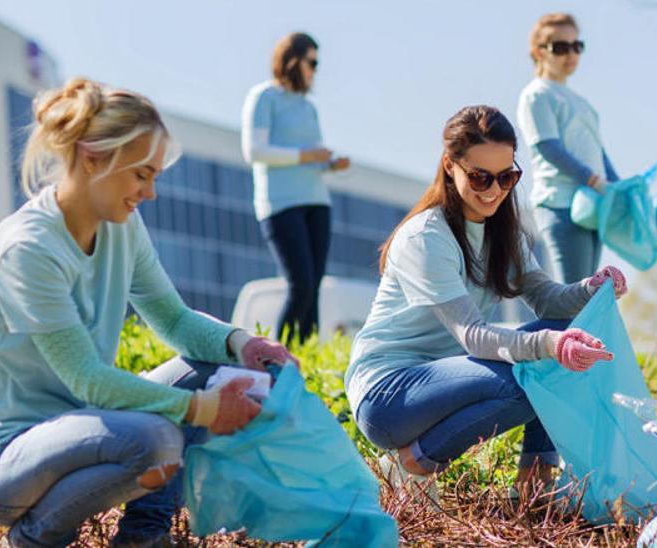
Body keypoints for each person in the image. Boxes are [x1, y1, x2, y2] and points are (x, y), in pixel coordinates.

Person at [0, 78, 296, 547]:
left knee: (228, 373)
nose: (149, 192)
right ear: (92, 158)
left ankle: (141, 539)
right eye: (141, 175)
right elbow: (87, 378)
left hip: (93, 424)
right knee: (156, 440)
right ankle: (31, 540)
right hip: (11, 459)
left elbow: (171, 319)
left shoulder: (123, 227)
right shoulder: (28, 249)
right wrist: (204, 409)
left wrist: (243, 345)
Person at [345, 106, 626, 500]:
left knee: (562, 338)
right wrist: (547, 347)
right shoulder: (426, 237)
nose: (494, 190)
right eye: (480, 177)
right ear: (450, 165)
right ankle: (411, 462)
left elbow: (548, 300)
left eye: (507, 176)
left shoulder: (503, 233)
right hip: (389, 396)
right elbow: (473, 336)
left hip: (449, 380)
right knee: (531, 376)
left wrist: (589, 288)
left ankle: (535, 483)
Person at [241, 31, 350, 343]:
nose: (315, 70)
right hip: (280, 204)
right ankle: (279, 358)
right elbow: (255, 152)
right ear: (292, 61)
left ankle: (307, 360)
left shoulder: (308, 108)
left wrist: (329, 163)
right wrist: (306, 155)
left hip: (316, 201)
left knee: (313, 285)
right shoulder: (264, 97)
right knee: (300, 284)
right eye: (312, 62)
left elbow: (313, 156)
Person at [517, 12, 621, 283]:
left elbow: (598, 151)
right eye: (561, 47)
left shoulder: (582, 102)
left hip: (593, 203)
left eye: (577, 46)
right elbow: (548, 147)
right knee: (573, 294)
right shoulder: (536, 94)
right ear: (539, 52)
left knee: (587, 294)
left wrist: (617, 185)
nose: (571, 54)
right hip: (560, 203)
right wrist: (592, 179)